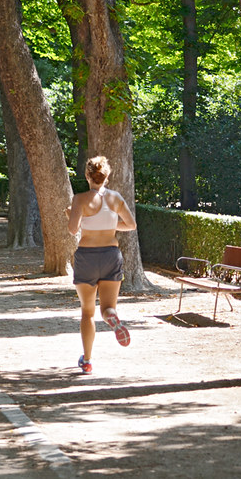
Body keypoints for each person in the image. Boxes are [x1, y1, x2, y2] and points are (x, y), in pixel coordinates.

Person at [66, 155, 137, 375]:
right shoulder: (115, 198)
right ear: (106, 177)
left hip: (87, 257)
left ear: (88, 176)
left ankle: (87, 361)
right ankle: (112, 318)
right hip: (110, 255)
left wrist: (71, 213)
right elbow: (131, 225)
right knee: (107, 307)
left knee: (87, 312)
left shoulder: (80, 199)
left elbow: (73, 229)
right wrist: (110, 224)